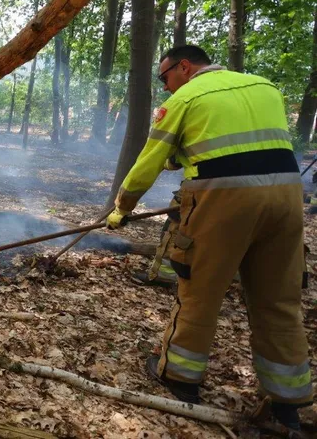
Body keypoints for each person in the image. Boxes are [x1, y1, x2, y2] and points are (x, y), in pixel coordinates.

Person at [105, 45, 312, 430]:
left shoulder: (186, 96)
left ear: (184, 67)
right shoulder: (264, 86)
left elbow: (148, 160)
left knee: (199, 287)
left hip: (224, 200)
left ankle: (180, 378)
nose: (165, 87)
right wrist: (183, 157)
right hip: (287, 196)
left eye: (164, 77)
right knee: (278, 299)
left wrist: (123, 207)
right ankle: (287, 400)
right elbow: (243, 147)